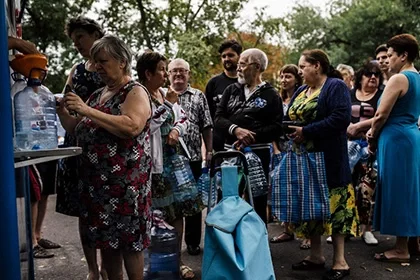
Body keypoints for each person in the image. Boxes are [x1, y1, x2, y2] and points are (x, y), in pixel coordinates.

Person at [57, 35, 152, 280]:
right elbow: (75, 127)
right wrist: (61, 110)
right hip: (98, 188)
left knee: (130, 245)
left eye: (103, 61)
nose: (97, 67)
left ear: (122, 62)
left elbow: (131, 126)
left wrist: (87, 110)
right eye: (94, 62)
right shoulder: (99, 94)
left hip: (125, 187)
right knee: (107, 245)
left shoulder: (135, 91)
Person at [287, 49, 357, 280]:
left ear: (317, 66)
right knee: (311, 207)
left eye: (303, 66)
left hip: (329, 160)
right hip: (304, 160)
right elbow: (291, 116)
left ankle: (341, 261)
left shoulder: (335, 86)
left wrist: (306, 131)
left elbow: (340, 118)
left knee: (335, 208)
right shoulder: (301, 90)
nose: (299, 70)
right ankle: (316, 256)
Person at [136, 52, 198, 279]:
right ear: (148, 73)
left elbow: (183, 119)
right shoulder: (139, 95)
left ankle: (177, 261)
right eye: (162, 70)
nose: (166, 75)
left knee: (177, 211)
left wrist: (176, 130)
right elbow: (144, 126)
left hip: (174, 161)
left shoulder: (163, 94)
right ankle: (153, 263)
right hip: (153, 165)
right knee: (153, 215)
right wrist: (168, 105)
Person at [56, 16, 106, 280]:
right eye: (73, 41)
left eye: (81, 38)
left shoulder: (112, 65)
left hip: (105, 145)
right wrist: (60, 105)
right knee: (85, 211)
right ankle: (92, 269)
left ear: (96, 34)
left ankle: (110, 268)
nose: (76, 44)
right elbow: (65, 99)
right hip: (78, 142)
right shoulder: (76, 70)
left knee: (107, 209)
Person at [215, 48, 283, 225]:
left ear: (257, 67)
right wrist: (235, 129)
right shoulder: (231, 90)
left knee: (257, 199)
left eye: (243, 64)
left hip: (258, 154)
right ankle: (228, 241)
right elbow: (218, 118)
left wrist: (252, 135)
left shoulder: (271, 94)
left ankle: (257, 244)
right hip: (231, 153)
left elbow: (277, 127)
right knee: (228, 196)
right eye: (239, 65)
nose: (238, 68)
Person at [368, 34, 420, 263]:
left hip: (395, 138)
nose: (387, 60)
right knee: (409, 189)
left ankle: (401, 249)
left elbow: (380, 114)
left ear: (404, 55)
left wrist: (371, 135)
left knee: (398, 190)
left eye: (390, 55)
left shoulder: (399, 79)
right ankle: (411, 241)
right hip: (409, 136)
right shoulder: (418, 77)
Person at [167, 58, 212, 273]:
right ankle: (168, 243)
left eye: (182, 71)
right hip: (168, 161)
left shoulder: (198, 96)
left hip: (192, 157)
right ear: (168, 74)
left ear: (188, 74)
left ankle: (193, 242)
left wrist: (209, 150)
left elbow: (207, 125)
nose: (178, 75)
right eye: (174, 71)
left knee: (192, 204)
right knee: (171, 204)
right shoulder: (161, 95)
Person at [270, 64, 310, 249]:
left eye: (288, 76)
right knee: (284, 188)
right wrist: (275, 148)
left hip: (299, 146)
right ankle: (287, 229)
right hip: (280, 147)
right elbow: (271, 126)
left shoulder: (302, 98)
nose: (284, 80)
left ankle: (308, 234)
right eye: (282, 76)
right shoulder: (277, 99)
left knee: (303, 189)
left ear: (296, 79)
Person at [347, 61, 383, 246]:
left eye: (377, 74)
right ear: (360, 76)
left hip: (370, 147)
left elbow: (382, 116)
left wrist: (360, 127)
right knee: (347, 186)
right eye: (369, 74)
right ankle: (345, 227)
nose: (373, 77)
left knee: (367, 187)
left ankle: (366, 229)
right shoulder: (350, 93)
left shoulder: (382, 95)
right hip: (348, 145)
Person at [205, 39, 242, 151]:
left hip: (241, 141)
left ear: (239, 57)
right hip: (218, 143)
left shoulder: (246, 83)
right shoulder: (213, 83)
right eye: (223, 56)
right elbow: (207, 116)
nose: (227, 59)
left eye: (230, 55)